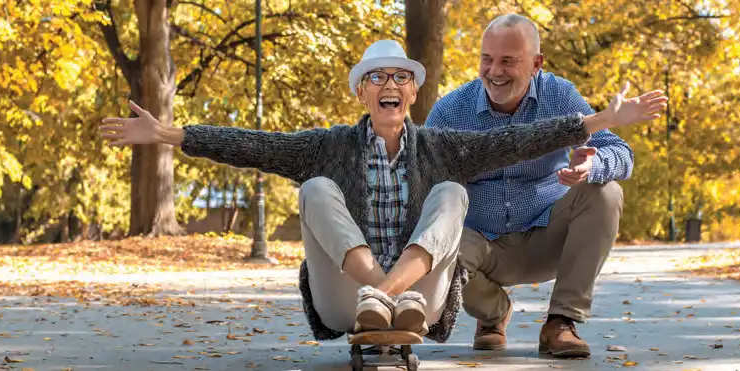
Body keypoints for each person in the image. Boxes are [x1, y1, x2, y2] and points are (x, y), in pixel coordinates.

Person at [100, 39, 665, 344]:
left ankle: (394, 294)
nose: (389, 85)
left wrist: (594, 121)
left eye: (399, 78)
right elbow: (252, 144)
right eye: (377, 78)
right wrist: (168, 134)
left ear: (413, 94)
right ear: (362, 94)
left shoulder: (443, 145)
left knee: (450, 193)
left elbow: (525, 140)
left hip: (423, 300)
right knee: (317, 188)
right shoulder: (328, 146)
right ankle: (379, 292)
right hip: (346, 297)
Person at [425, 14, 638, 356]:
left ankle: (561, 323)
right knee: (431, 248)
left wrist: (592, 165)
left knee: (606, 192)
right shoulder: (450, 111)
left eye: (508, 61)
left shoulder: (559, 95)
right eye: (487, 59)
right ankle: (493, 315)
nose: (494, 71)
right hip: (480, 243)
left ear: (536, 63)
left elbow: (621, 153)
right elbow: (424, 185)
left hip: (547, 236)